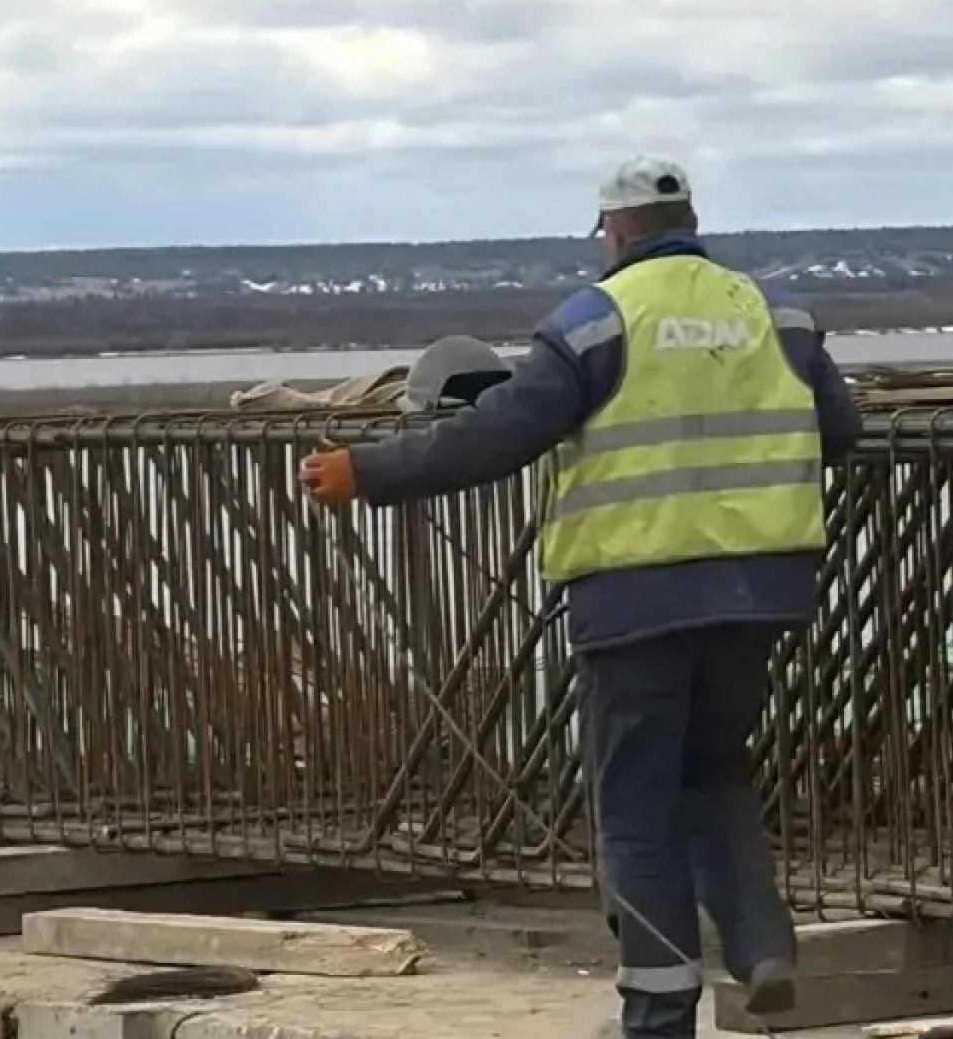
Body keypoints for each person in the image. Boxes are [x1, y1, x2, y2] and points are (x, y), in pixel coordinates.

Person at [298, 156, 862, 1039]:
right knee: (715, 773)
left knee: (634, 808)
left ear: (616, 230)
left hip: (636, 598)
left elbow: (496, 434)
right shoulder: (776, 313)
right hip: (761, 590)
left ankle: (659, 1012)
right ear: (690, 222)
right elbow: (840, 430)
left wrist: (365, 472)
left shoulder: (598, 323)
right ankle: (763, 947)